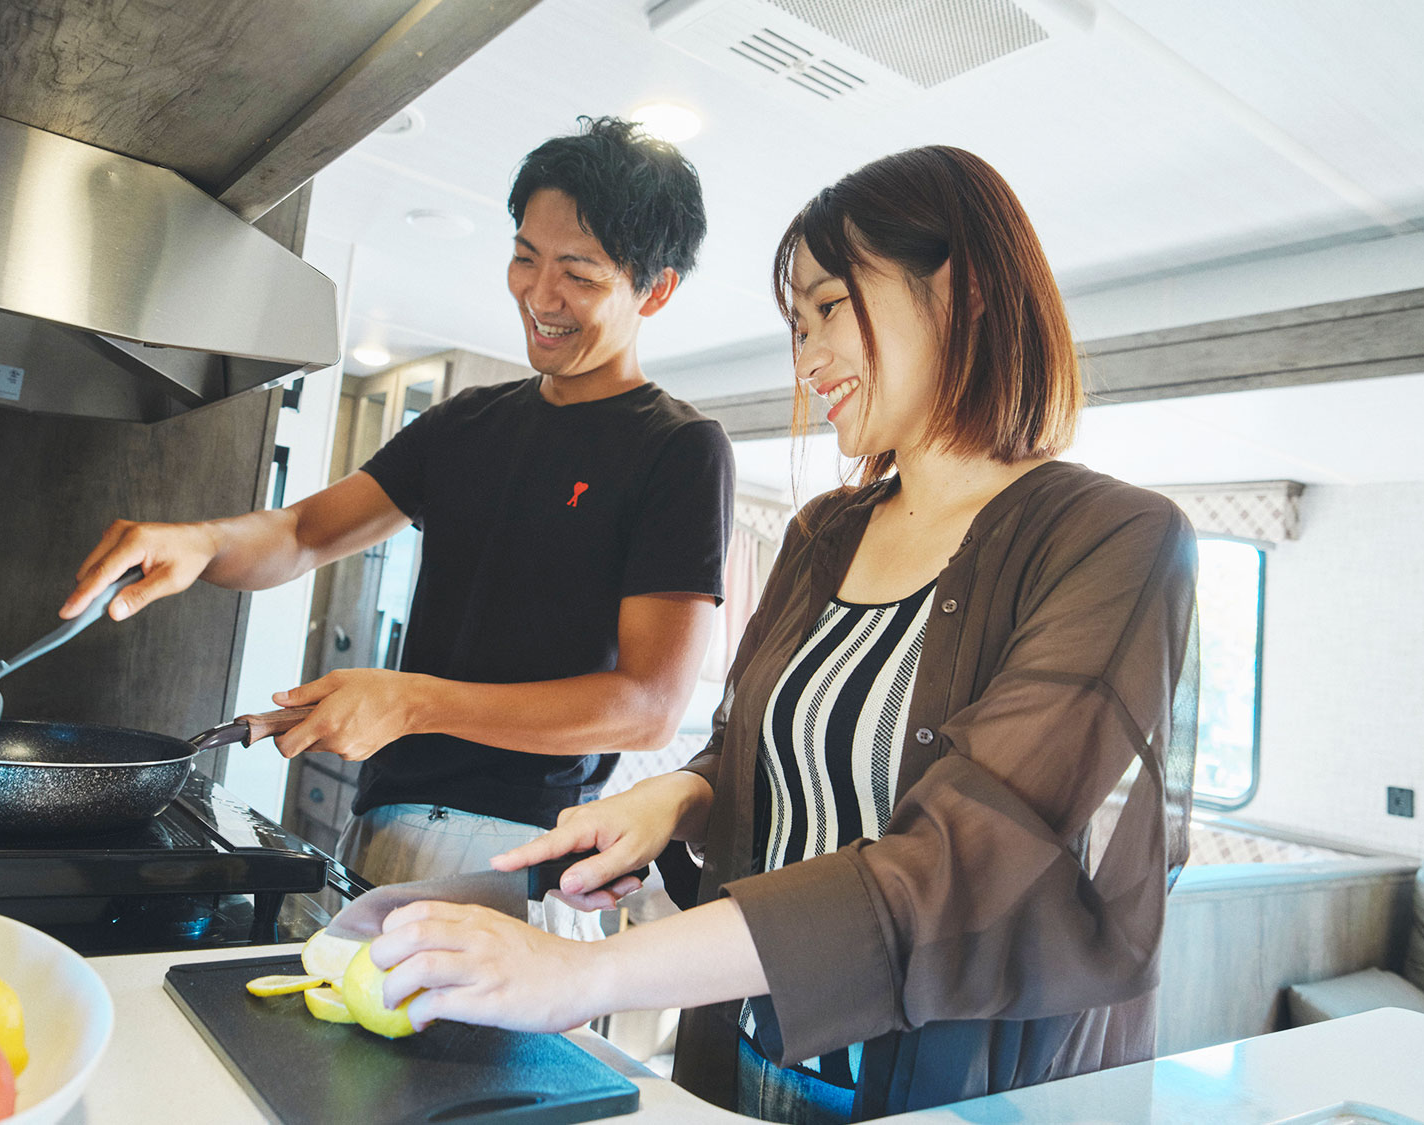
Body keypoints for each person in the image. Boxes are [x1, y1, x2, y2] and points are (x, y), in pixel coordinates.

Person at [363, 145, 1200, 1123]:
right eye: (794, 326)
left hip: (956, 1093)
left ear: (963, 287)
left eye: (829, 308)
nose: (806, 362)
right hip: (755, 1057)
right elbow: (749, 750)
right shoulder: (822, 535)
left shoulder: (1114, 539)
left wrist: (582, 978)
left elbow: (970, 860)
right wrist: (673, 799)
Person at [62, 117, 735, 887]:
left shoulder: (679, 448)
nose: (539, 294)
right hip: (386, 817)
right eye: (525, 256)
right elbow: (304, 531)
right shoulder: (466, 423)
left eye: (579, 274)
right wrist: (202, 543)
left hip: (520, 844)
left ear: (657, 289)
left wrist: (412, 703)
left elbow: (647, 705)